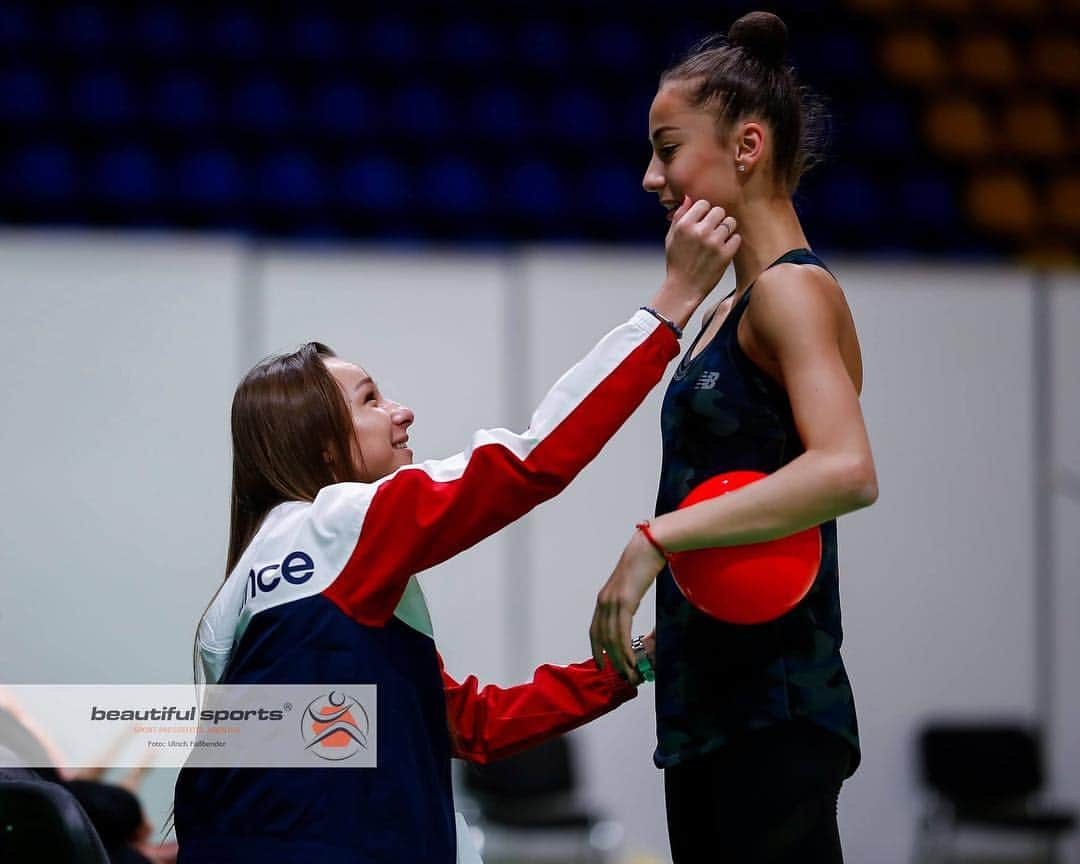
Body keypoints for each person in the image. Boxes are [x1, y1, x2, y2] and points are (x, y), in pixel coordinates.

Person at [171, 201, 741, 863]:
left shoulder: (245, 595)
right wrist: (671, 304)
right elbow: (533, 459)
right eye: (371, 401)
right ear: (321, 447)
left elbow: (470, 727)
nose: (401, 411)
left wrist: (636, 661)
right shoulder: (339, 527)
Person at [588, 11, 879, 863]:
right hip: (710, 696)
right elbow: (738, 491)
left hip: (778, 704)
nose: (651, 177)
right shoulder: (724, 310)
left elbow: (847, 469)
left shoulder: (794, 294)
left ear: (746, 148)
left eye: (667, 148)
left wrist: (655, 544)